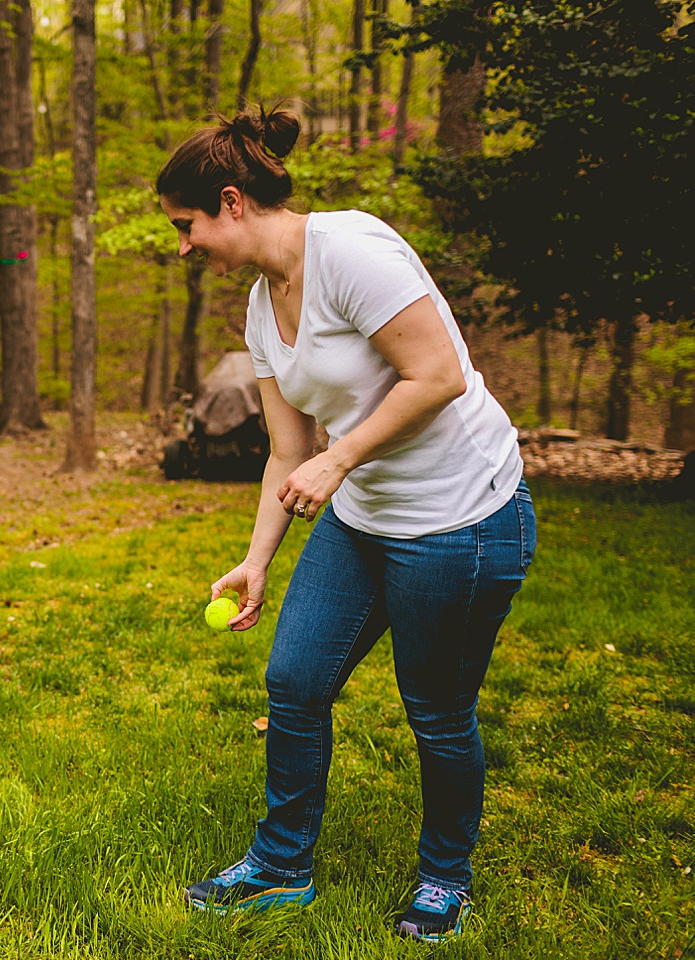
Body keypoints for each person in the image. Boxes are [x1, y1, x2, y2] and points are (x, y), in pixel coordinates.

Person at [156, 107, 536, 943]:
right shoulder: (261, 306)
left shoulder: (353, 251)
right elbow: (286, 451)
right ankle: (280, 867)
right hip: (365, 520)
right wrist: (257, 559)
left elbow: (438, 373)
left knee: (435, 711)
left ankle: (445, 878)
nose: (185, 247)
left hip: (460, 517)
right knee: (294, 682)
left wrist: (341, 458)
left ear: (231, 201)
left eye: (187, 227)